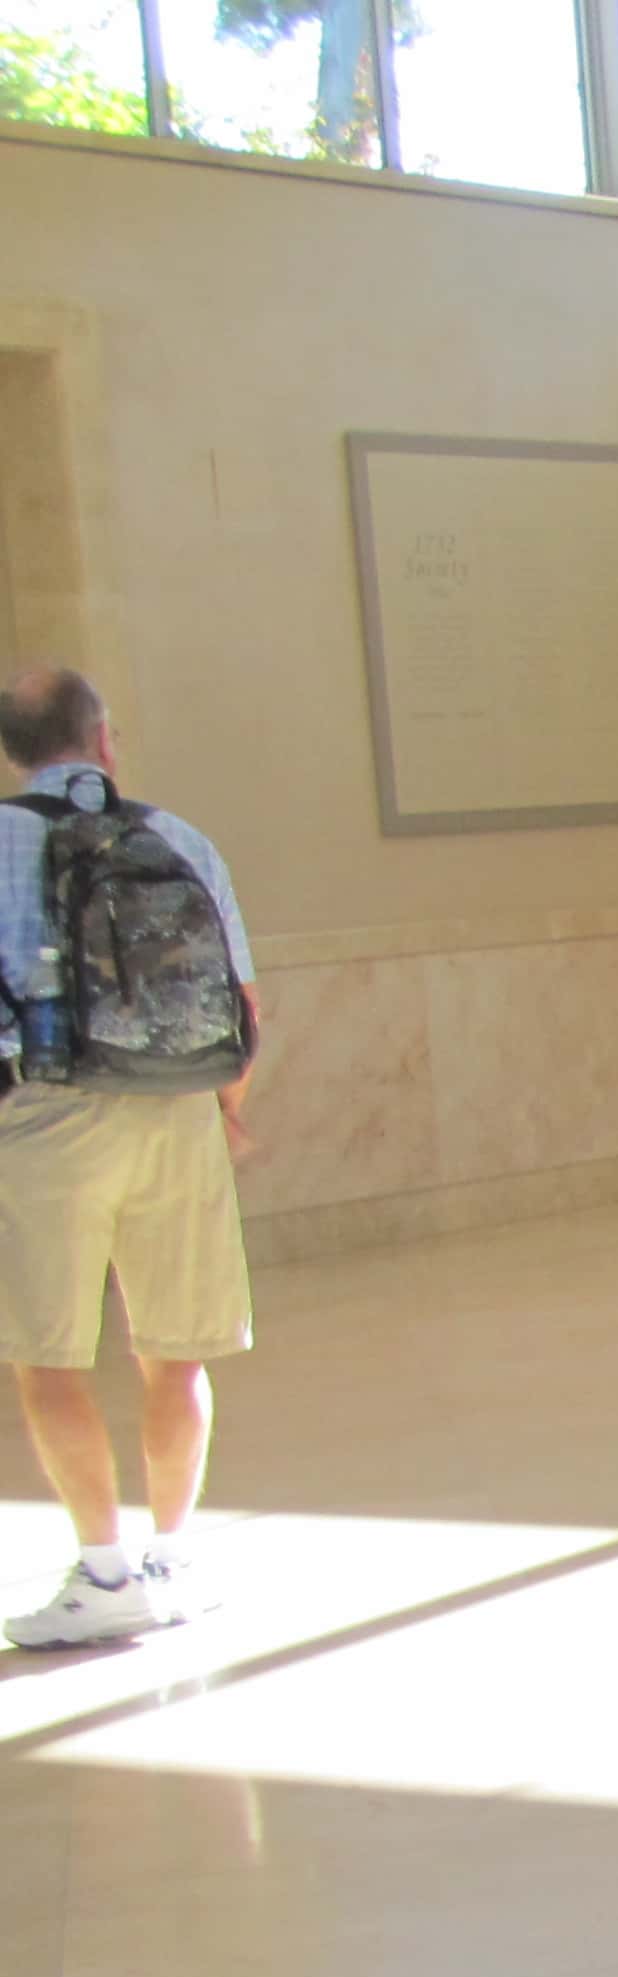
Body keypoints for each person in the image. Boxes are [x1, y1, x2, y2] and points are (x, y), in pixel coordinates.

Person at [0, 665, 259, 1651]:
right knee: (174, 1350)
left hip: (44, 1119)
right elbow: (244, 1004)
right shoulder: (179, 838)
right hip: (179, 1110)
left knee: (49, 1356)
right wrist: (228, 1112)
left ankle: (103, 1569)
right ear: (104, 740)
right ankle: (174, 1555)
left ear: (13, 749)